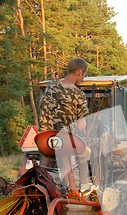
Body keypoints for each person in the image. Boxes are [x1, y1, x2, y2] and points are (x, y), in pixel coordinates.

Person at [38, 58, 93, 195]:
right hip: (63, 141)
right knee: (85, 151)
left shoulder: (51, 85)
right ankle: (84, 186)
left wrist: (53, 81)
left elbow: (42, 104)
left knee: (58, 151)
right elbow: (81, 125)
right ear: (80, 72)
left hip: (45, 139)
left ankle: (49, 182)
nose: (83, 79)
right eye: (84, 75)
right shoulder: (79, 94)